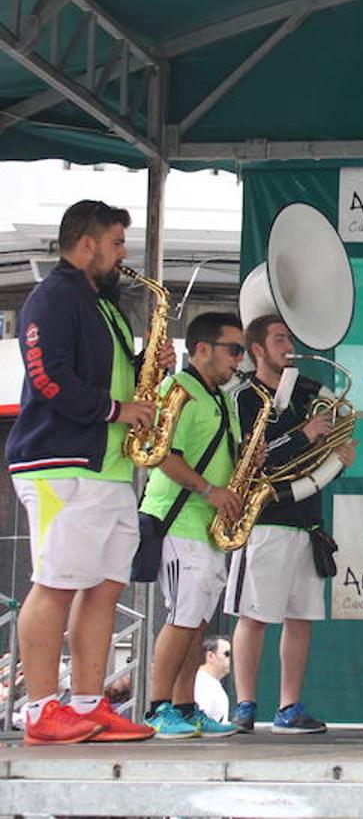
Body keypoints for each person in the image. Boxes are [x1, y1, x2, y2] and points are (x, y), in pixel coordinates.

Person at [5, 200, 162, 744]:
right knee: (53, 584)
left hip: (110, 467)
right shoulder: (52, 297)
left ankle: (90, 704)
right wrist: (118, 411)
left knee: (102, 586)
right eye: (117, 242)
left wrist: (147, 369)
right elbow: (48, 377)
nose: (123, 255)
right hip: (60, 463)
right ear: (88, 243)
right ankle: (42, 708)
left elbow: (109, 373)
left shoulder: (105, 304)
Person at [227, 315, 356, 734]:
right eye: (280, 339)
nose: (289, 345)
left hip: (305, 520)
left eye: (291, 338)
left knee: (301, 616)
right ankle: (245, 705)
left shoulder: (305, 394)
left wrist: (337, 460)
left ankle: (289, 706)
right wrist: (305, 435)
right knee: (254, 615)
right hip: (264, 520)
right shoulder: (245, 397)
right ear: (258, 350)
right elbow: (254, 456)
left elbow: (315, 462)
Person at [141, 311, 246, 740]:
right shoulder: (177, 389)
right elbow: (163, 454)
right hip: (180, 518)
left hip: (205, 524)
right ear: (202, 349)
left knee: (196, 624)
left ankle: (185, 707)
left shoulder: (218, 397)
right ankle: (157, 707)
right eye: (234, 349)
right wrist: (210, 491)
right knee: (182, 619)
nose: (240, 359)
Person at [194, 636, 232, 724]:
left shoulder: (211, 683)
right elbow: (200, 723)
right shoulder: (202, 684)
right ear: (210, 656)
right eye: (227, 654)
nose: (231, 659)